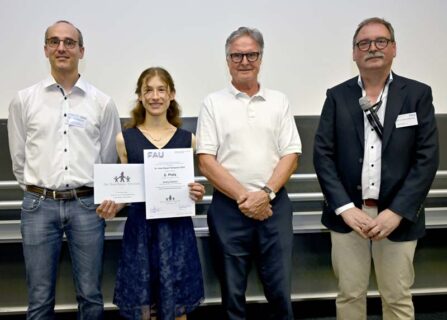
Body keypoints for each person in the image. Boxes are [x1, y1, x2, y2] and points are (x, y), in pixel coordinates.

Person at [313, 17, 439, 320]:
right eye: (363, 43)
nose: (372, 48)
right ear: (354, 53)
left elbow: (427, 158)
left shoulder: (417, 94)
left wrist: (396, 212)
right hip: (349, 217)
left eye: (380, 41)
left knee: (396, 296)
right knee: (350, 295)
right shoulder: (337, 96)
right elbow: (323, 155)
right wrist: (345, 208)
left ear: (394, 48)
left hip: (398, 216)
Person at [7, 20, 121, 319]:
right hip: (38, 206)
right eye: (54, 41)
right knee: (40, 298)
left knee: (90, 295)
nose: (61, 48)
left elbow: (109, 159)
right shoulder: (24, 100)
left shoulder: (102, 103)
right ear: (45, 49)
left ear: (81, 50)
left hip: (87, 206)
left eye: (69, 42)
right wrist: (39, 189)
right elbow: (19, 159)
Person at [196, 27, 302, 320]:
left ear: (261, 58)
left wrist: (265, 194)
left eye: (251, 54)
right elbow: (206, 160)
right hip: (229, 209)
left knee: (280, 290)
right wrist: (246, 198)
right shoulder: (213, 103)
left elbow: (291, 155)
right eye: (237, 55)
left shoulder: (279, 101)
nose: (244, 61)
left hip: (274, 207)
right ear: (227, 59)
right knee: (232, 294)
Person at [97, 67, 205, 320]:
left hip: (177, 231)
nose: (155, 96)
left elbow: (188, 186)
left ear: (171, 95)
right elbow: (127, 190)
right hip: (140, 232)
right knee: (145, 308)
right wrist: (114, 204)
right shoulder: (125, 139)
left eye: (161, 90)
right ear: (140, 96)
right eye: (148, 90)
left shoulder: (188, 139)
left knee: (177, 304)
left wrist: (196, 192)